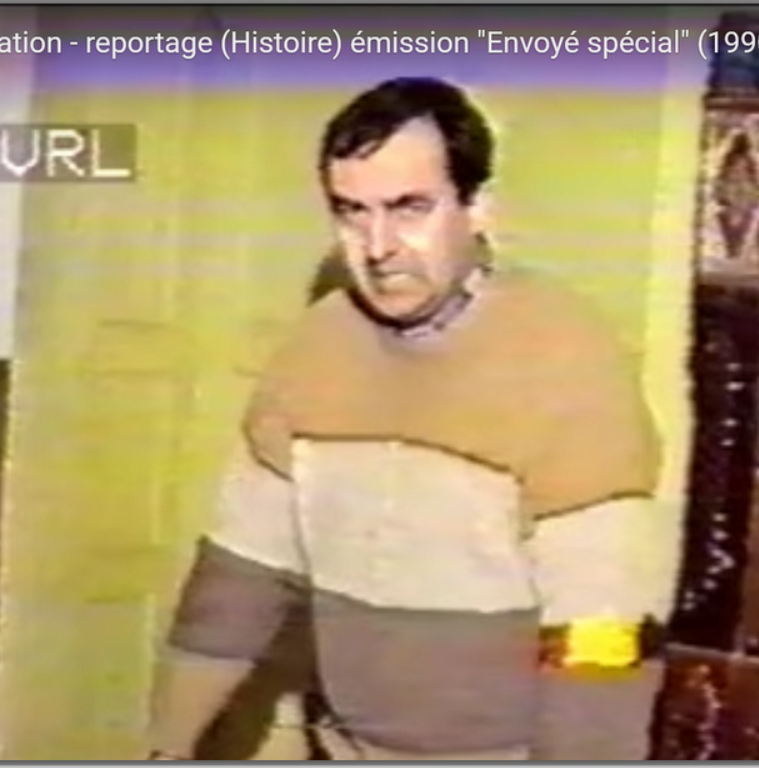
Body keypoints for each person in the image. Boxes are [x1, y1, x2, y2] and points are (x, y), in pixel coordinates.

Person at [146, 76, 680, 761]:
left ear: (477, 207)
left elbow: (601, 634)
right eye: (352, 213)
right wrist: (164, 748)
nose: (378, 247)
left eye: (409, 209)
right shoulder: (314, 348)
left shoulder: (566, 358)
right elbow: (238, 582)